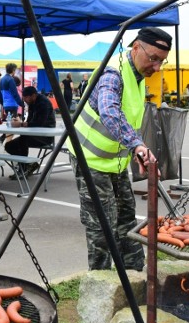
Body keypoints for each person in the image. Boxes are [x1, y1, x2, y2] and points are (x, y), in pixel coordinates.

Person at [65, 27, 169, 271]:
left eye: (161, 62)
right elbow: (110, 111)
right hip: (89, 158)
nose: (156, 68)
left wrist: (136, 150)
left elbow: (127, 118)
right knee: (102, 225)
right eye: (153, 58)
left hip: (115, 162)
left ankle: (134, 277)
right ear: (136, 48)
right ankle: (99, 282)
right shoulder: (114, 73)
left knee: (126, 219)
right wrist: (137, 144)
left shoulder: (139, 75)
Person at [4, 86, 56, 177]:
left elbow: (40, 123)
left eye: (26, 99)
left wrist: (21, 124)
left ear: (33, 95)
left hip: (46, 136)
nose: (25, 101)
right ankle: (27, 166)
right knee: (9, 146)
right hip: (34, 134)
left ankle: (23, 169)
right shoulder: (32, 103)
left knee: (23, 139)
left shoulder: (44, 103)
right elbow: (30, 121)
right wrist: (22, 123)